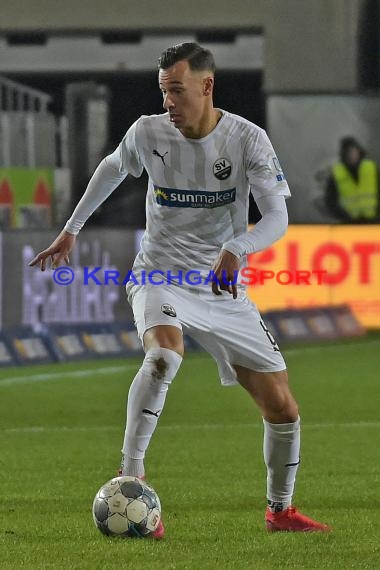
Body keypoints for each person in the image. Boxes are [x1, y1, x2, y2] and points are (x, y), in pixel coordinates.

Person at [29, 43, 330, 535]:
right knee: (164, 356)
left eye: (177, 90)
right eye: (164, 90)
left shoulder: (247, 139)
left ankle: (280, 512)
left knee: (283, 408)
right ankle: (130, 476)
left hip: (220, 288)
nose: (169, 100)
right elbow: (111, 168)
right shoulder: (148, 132)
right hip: (159, 274)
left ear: (207, 86)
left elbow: (277, 217)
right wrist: (71, 230)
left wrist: (239, 245)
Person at [325, 136, 379, 223]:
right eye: (347, 152)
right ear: (343, 154)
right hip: (350, 226)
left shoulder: (371, 168)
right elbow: (330, 201)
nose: (351, 155)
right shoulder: (336, 173)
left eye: (353, 151)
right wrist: (344, 216)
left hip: (374, 225)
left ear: (359, 151)